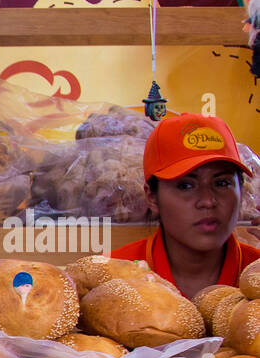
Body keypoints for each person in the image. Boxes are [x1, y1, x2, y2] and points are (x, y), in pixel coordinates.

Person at [110, 114, 259, 300]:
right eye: (186, 186)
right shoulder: (113, 273)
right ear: (152, 197)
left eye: (222, 183)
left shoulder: (255, 270)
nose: (208, 201)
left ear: (242, 190)